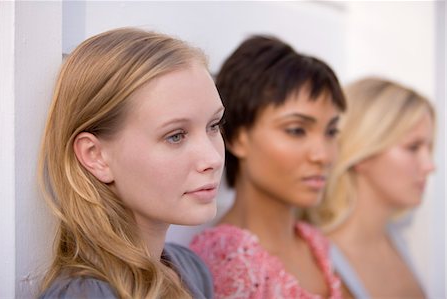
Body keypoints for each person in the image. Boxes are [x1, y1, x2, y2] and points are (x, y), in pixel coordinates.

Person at [37, 27, 225, 298]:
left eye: (214, 125)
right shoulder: (86, 294)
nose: (213, 158)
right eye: (175, 136)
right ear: (95, 155)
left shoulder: (191, 268)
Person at [190, 35, 347, 298]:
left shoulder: (314, 242)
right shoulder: (226, 265)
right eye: (297, 130)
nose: (324, 156)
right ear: (238, 137)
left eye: (331, 132)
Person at [308, 77, 435, 298]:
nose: (429, 166)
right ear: (362, 153)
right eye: (413, 147)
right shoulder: (318, 263)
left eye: (429, 147)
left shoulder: (399, 239)